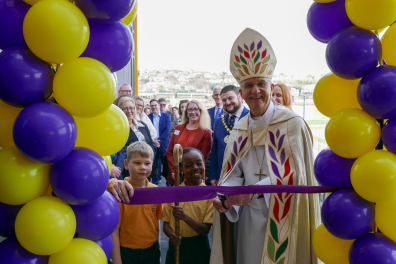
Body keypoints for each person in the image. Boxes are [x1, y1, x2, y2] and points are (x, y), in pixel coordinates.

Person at [210, 28, 320, 264]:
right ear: (241, 93)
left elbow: (298, 176)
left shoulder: (292, 125)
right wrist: (226, 194)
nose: (255, 90)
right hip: (247, 218)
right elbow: (233, 172)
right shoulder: (240, 128)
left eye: (261, 84)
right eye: (249, 86)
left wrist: (257, 189)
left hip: (285, 216)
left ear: (271, 88)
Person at [111, 141, 162, 264]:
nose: (143, 167)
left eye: (147, 163)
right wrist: (117, 260)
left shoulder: (155, 190)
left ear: (152, 164)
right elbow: (115, 231)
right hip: (127, 253)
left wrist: (158, 250)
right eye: (137, 163)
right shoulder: (120, 192)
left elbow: (157, 222)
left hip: (152, 250)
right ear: (126, 164)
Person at [162, 148, 213, 264]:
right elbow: (166, 225)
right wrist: (172, 236)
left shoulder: (208, 194)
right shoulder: (174, 192)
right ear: (181, 169)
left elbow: (205, 230)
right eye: (189, 165)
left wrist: (184, 217)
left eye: (199, 163)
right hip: (177, 245)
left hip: (199, 247)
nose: (195, 167)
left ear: (204, 164)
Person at [210, 85, 249, 186]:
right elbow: (214, 151)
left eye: (230, 98)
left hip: (245, 176)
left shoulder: (251, 118)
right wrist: (213, 175)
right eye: (224, 100)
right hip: (222, 176)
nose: (227, 102)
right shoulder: (219, 121)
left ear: (240, 96)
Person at [166, 100, 212, 185]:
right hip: (176, 175)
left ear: (201, 111)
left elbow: (202, 158)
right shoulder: (177, 128)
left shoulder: (206, 132)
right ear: (186, 112)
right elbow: (169, 151)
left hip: (194, 175)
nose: (193, 112)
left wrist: (185, 170)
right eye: (190, 109)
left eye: (195, 109)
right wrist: (174, 170)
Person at [113, 97, 156, 179]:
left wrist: (149, 157)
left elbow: (151, 143)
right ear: (120, 110)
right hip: (130, 172)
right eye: (125, 108)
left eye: (131, 108)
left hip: (146, 168)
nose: (129, 111)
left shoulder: (142, 125)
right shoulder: (118, 128)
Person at [148, 99, 171, 185]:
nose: (154, 107)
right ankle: (155, 183)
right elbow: (147, 131)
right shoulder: (148, 117)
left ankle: (169, 183)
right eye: (152, 106)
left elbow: (167, 130)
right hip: (153, 144)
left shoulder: (166, 116)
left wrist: (159, 141)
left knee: (166, 164)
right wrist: (154, 141)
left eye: (155, 105)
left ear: (158, 105)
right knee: (154, 163)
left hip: (164, 144)